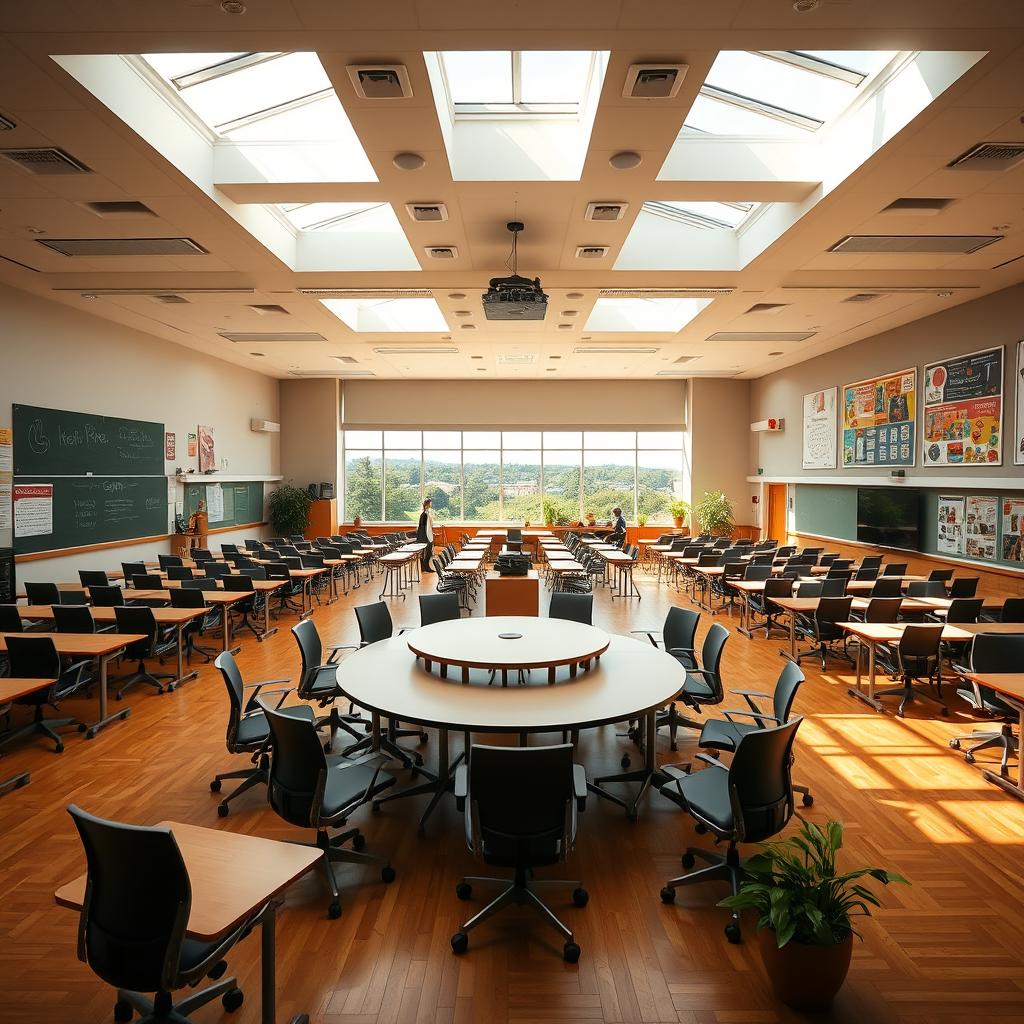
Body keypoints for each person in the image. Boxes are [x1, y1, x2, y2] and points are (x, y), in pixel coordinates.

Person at [416, 498, 434, 572]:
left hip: (426, 535)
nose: (431, 504)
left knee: (428, 552)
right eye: (430, 503)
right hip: (425, 537)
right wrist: (427, 537)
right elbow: (423, 527)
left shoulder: (426, 513)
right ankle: (425, 567)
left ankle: (425, 567)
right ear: (427, 504)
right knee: (427, 552)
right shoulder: (424, 514)